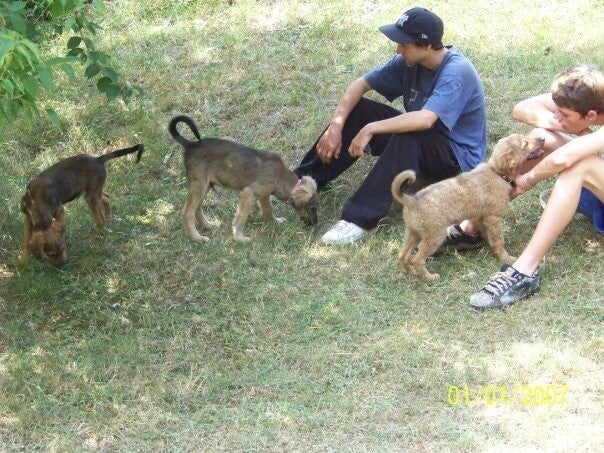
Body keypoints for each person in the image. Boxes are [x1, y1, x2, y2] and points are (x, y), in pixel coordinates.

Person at [294, 7, 487, 244]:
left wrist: (370, 129)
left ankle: (358, 219)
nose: (398, 49)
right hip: (423, 143)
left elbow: (425, 120)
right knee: (361, 109)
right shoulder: (408, 62)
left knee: (410, 134)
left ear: (427, 45)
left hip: (455, 159)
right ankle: (298, 184)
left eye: (404, 44)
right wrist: (336, 126)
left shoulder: (457, 71)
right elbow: (360, 85)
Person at [470, 64, 604, 310]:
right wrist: (571, 128)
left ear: (592, 115)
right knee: (544, 137)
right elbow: (521, 108)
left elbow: (564, 158)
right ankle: (470, 225)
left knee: (579, 164)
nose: (557, 117)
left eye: (564, 115)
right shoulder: (588, 95)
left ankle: (525, 271)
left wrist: (527, 180)